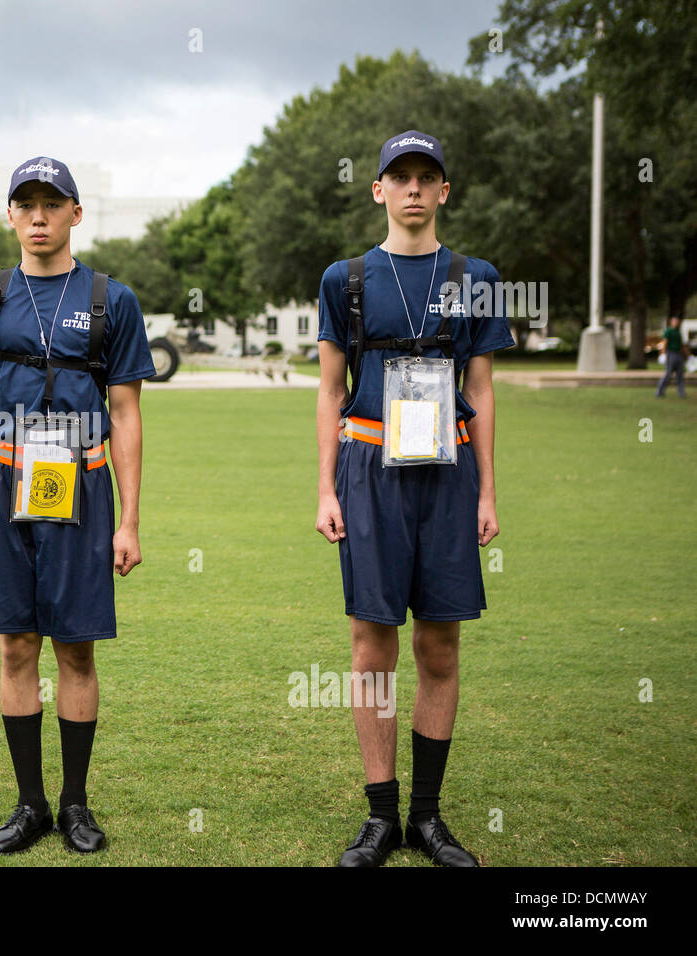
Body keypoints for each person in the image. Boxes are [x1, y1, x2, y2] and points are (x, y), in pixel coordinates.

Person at [0, 157, 154, 853]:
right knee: (15, 646)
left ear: (75, 214)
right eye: (25, 203)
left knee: (78, 651)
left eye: (51, 203)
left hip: (81, 484)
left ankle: (76, 805)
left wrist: (129, 520)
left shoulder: (109, 300)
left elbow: (125, 414)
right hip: (4, 485)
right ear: (9, 215)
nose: (38, 215)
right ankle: (30, 804)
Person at [314, 132, 515, 867]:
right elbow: (330, 392)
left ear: (443, 192)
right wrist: (325, 489)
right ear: (378, 190)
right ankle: (380, 818)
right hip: (369, 467)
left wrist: (489, 490)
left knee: (440, 641)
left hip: (448, 467)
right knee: (373, 644)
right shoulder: (346, 278)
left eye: (427, 177)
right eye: (399, 177)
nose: (413, 189)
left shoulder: (476, 276)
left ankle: (428, 818)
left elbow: (484, 391)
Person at [655, 316, 688, 398]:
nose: (676, 323)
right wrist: (663, 353)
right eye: (675, 321)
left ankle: (681, 392)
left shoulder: (678, 332)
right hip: (671, 354)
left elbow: (682, 345)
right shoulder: (668, 331)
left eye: (677, 321)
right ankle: (660, 391)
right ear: (671, 322)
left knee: (680, 374)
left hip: (679, 355)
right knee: (668, 374)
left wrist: (688, 355)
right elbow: (664, 342)